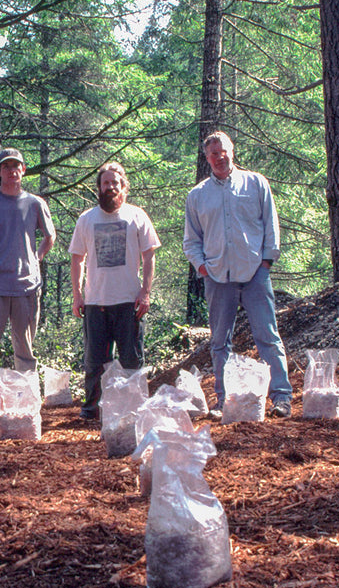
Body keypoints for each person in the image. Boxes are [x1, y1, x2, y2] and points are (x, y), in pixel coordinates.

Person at [183, 131, 293, 418]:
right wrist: (203, 268)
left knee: (267, 336)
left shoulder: (255, 183)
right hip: (218, 277)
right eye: (213, 153)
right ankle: (224, 401)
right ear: (207, 158)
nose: (219, 157)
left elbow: (270, 224)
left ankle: (281, 397)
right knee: (220, 342)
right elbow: (191, 240)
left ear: (232, 151)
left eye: (223, 151)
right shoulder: (197, 195)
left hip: (255, 272)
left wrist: (267, 261)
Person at [69, 162, 159, 419]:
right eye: (105, 183)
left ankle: (135, 409)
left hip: (129, 302)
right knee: (95, 361)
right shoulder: (86, 219)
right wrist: (77, 296)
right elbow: (77, 259)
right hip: (96, 301)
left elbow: (149, 256)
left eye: (115, 183)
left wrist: (145, 292)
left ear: (124, 187)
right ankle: (92, 410)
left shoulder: (137, 216)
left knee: (131, 360)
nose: (110, 187)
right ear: (99, 187)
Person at [0, 147, 56, 378]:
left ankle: (25, 397)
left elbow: (50, 236)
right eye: (6, 166)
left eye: (16, 166)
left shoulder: (35, 203)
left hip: (26, 287)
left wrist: (37, 257)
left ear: (23, 170)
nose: (11, 171)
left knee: (25, 353)